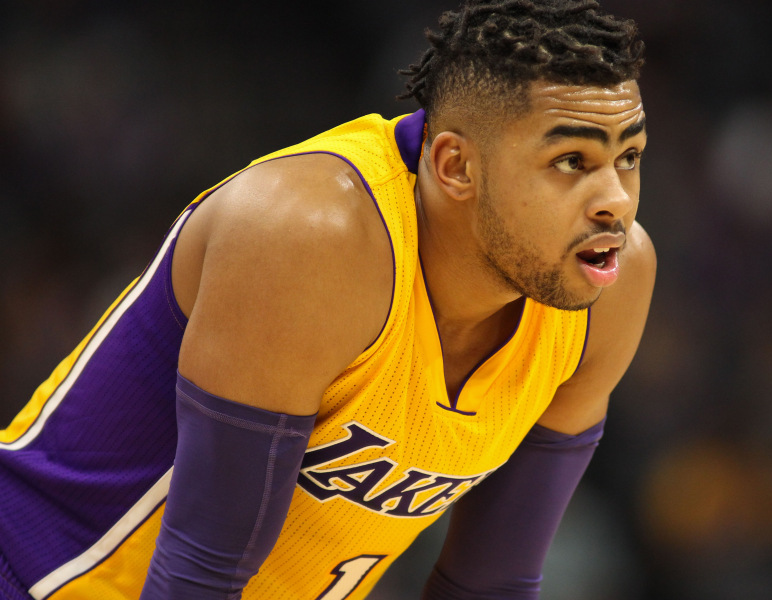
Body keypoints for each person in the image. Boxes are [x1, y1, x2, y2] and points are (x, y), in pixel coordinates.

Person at [0, 0, 653, 598]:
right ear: (456, 166)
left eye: (629, 157)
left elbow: (491, 582)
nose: (615, 202)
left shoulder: (608, 283)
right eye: (571, 161)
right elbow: (201, 569)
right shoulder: (310, 234)